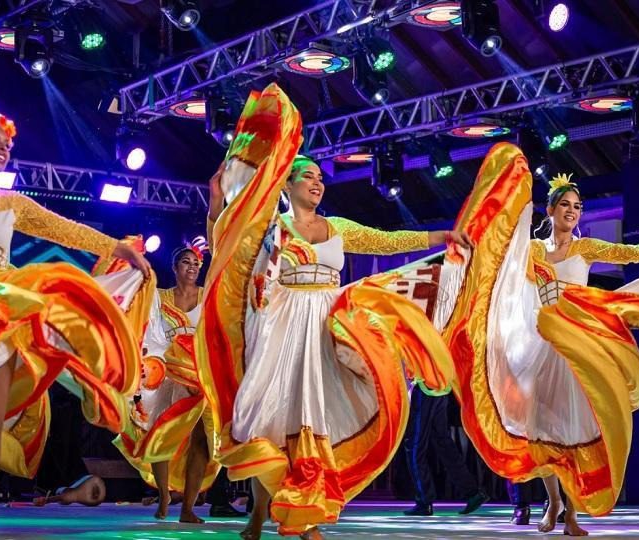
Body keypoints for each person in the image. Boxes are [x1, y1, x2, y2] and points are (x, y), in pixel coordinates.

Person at [192, 84, 463, 539]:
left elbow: (387, 239)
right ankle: (262, 514)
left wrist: (439, 239)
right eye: (308, 177)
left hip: (328, 325)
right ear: (288, 184)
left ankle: (307, 511)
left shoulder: (337, 227)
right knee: (276, 421)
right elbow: (227, 247)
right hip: (283, 326)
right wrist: (217, 203)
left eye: (321, 178)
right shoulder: (273, 227)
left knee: (317, 419)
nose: (317, 183)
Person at [442, 144, 639, 536]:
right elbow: (501, 258)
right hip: (540, 342)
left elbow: (634, 253)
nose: (572, 211)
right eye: (565, 205)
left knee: (573, 426)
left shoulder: (586, 249)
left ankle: (570, 515)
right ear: (549, 210)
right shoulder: (531, 251)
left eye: (577, 207)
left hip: (577, 345)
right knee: (541, 427)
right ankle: (552, 502)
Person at [0, 79, 152, 540]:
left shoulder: (15, 204)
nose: (3, 148)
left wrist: (118, 249)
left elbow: (65, 230)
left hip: (0, 312)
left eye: (8, 144)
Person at [114, 245, 245, 522]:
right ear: (175, 268)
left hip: (198, 375)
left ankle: (188, 507)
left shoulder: (208, 297)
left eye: (196, 263)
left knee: (200, 439)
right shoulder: (159, 298)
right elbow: (143, 323)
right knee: (163, 433)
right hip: (167, 373)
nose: (192, 267)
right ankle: (163, 495)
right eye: (186, 262)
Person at [403, 387, 487, 516]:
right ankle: (473, 493)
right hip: (440, 390)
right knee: (444, 444)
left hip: (425, 388)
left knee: (415, 445)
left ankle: (424, 501)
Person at [33, 475, 106, 507]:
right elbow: (64, 497)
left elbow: (64, 496)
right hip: (93, 481)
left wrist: (47, 500)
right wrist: (47, 500)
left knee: (67, 495)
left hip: (92, 483)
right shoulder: (72, 492)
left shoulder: (67, 492)